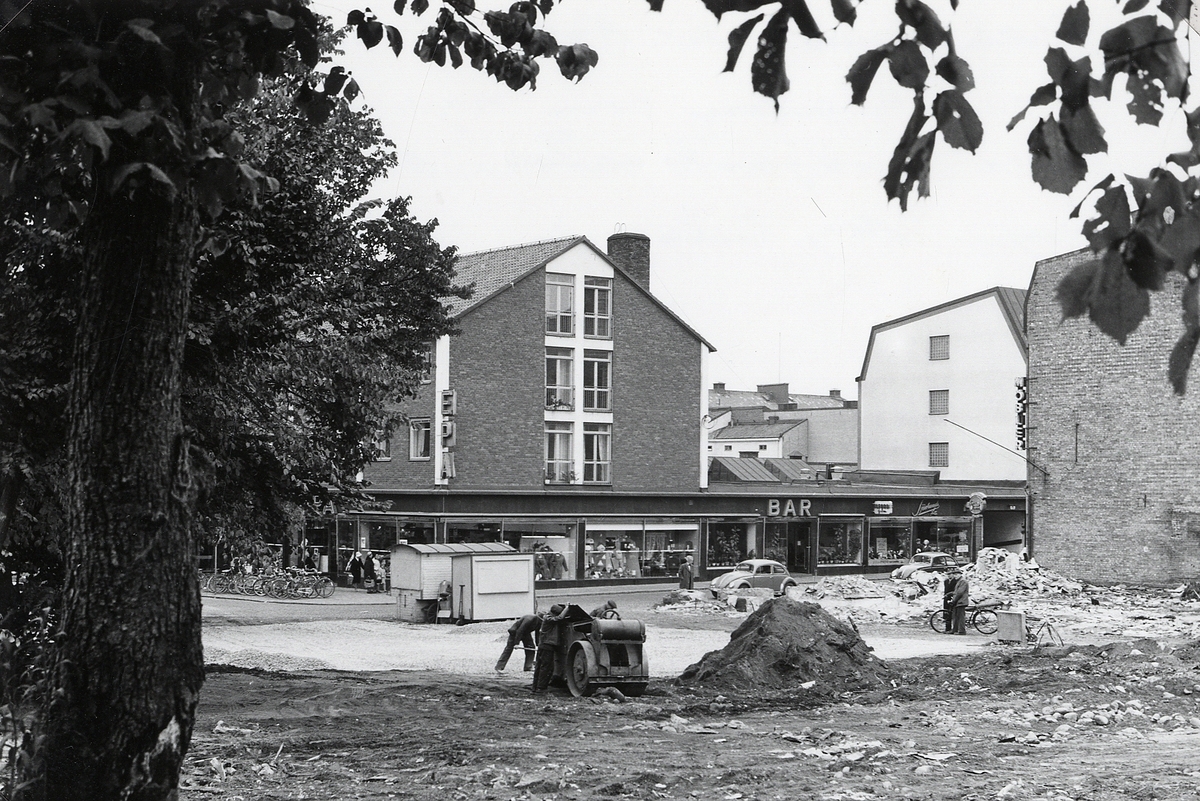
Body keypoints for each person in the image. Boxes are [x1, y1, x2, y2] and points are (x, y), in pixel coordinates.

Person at [532, 604, 567, 693]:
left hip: (544, 645)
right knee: (546, 667)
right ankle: (541, 688)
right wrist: (567, 608)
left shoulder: (547, 617)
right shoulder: (548, 619)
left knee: (540, 666)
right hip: (547, 646)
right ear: (555, 613)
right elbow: (559, 618)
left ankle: (535, 687)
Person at [951, 570, 970, 635]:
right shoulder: (960, 581)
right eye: (954, 574)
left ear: (960, 574)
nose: (954, 576)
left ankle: (962, 631)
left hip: (961, 601)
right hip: (959, 601)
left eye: (956, 574)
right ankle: (955, 630)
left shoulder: (963, 581)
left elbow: (959, 592)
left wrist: (954, 600)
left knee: (960, 616)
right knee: (956, 616)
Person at [941, 570, 959, 635]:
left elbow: (955, 591)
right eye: (948, 574)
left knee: (952, 614)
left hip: (952, 598)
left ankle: (954, 629)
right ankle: (947, 628)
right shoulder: (946, 581)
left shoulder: (956, 581)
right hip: (946, 599)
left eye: (950, 574)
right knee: (946, 613)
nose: (949, 575)